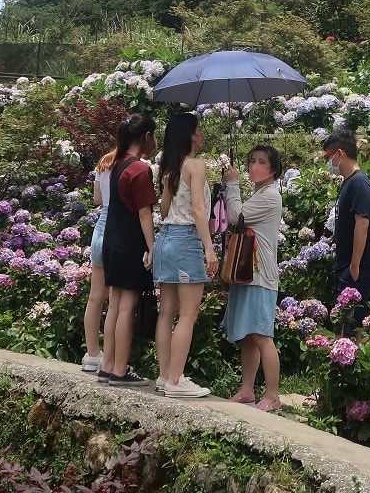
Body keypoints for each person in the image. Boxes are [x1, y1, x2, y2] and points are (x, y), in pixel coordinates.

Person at [151, 112, 219, 399]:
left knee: (166, 312)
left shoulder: (169, 169)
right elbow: (199, 210)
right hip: (186, 240)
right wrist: (209, 248)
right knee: (188, 314)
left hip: (164, 240)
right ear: (190, 135)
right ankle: (177, 381)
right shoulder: (195, 165)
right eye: (199, 131)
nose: (202, 136)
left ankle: (165, 376)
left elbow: (164, 211)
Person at [220, 145, 285, 411]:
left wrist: (232, 185)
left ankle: (272, 395)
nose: (254, 166)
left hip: (260, 275)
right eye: (252, 161)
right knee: (248, 335)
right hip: (249, 273)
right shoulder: (260, 194)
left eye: (261, 162)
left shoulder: (269, 195)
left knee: (261, 335)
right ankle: (247, 390)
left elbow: (237, 216)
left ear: (273, 170)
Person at [99, 113, 159, 386]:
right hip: (130, 244)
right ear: (147, 136)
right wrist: (152, 247)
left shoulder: (118, 163)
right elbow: (145, 214)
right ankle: (120, 370)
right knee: (127, 308)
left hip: (112, 241)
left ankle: (108, 364)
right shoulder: (140, 169)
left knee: (115, 306)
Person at [322, 130, 370, 334]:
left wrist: (354, 265)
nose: (328, 163)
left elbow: (362, 223)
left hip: (358, 265)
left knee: (346, 323)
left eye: (328, 157)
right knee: (352, 321)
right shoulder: (350, 181)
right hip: (350, 263)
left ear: (340, 153)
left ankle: (345, 364)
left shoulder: (358, 182)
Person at [81, 149, 116, 374]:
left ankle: (92, 354)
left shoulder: (104, 161)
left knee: (95, 297)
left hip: (101, 226)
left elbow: (97, 199)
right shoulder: (135, 163)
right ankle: (113, 359)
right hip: (118, 228)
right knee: (116, 299)